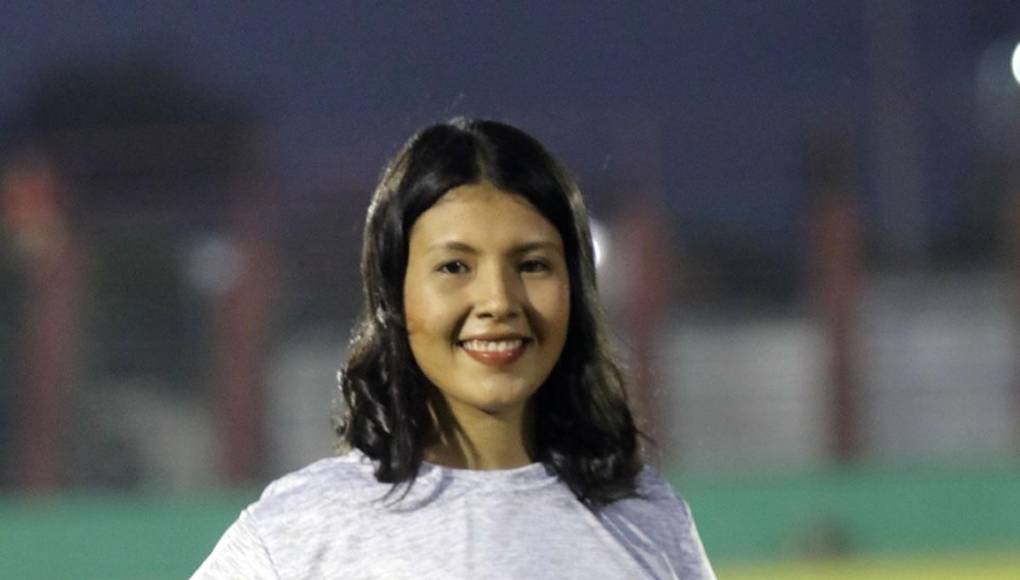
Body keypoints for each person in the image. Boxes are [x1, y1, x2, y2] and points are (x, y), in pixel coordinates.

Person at [192, 118, 716, 579]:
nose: (498, 301)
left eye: (532, 264)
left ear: (575, 288)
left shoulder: (650, 520)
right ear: (392, 294)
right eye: (454, 267)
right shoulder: (300, 533)